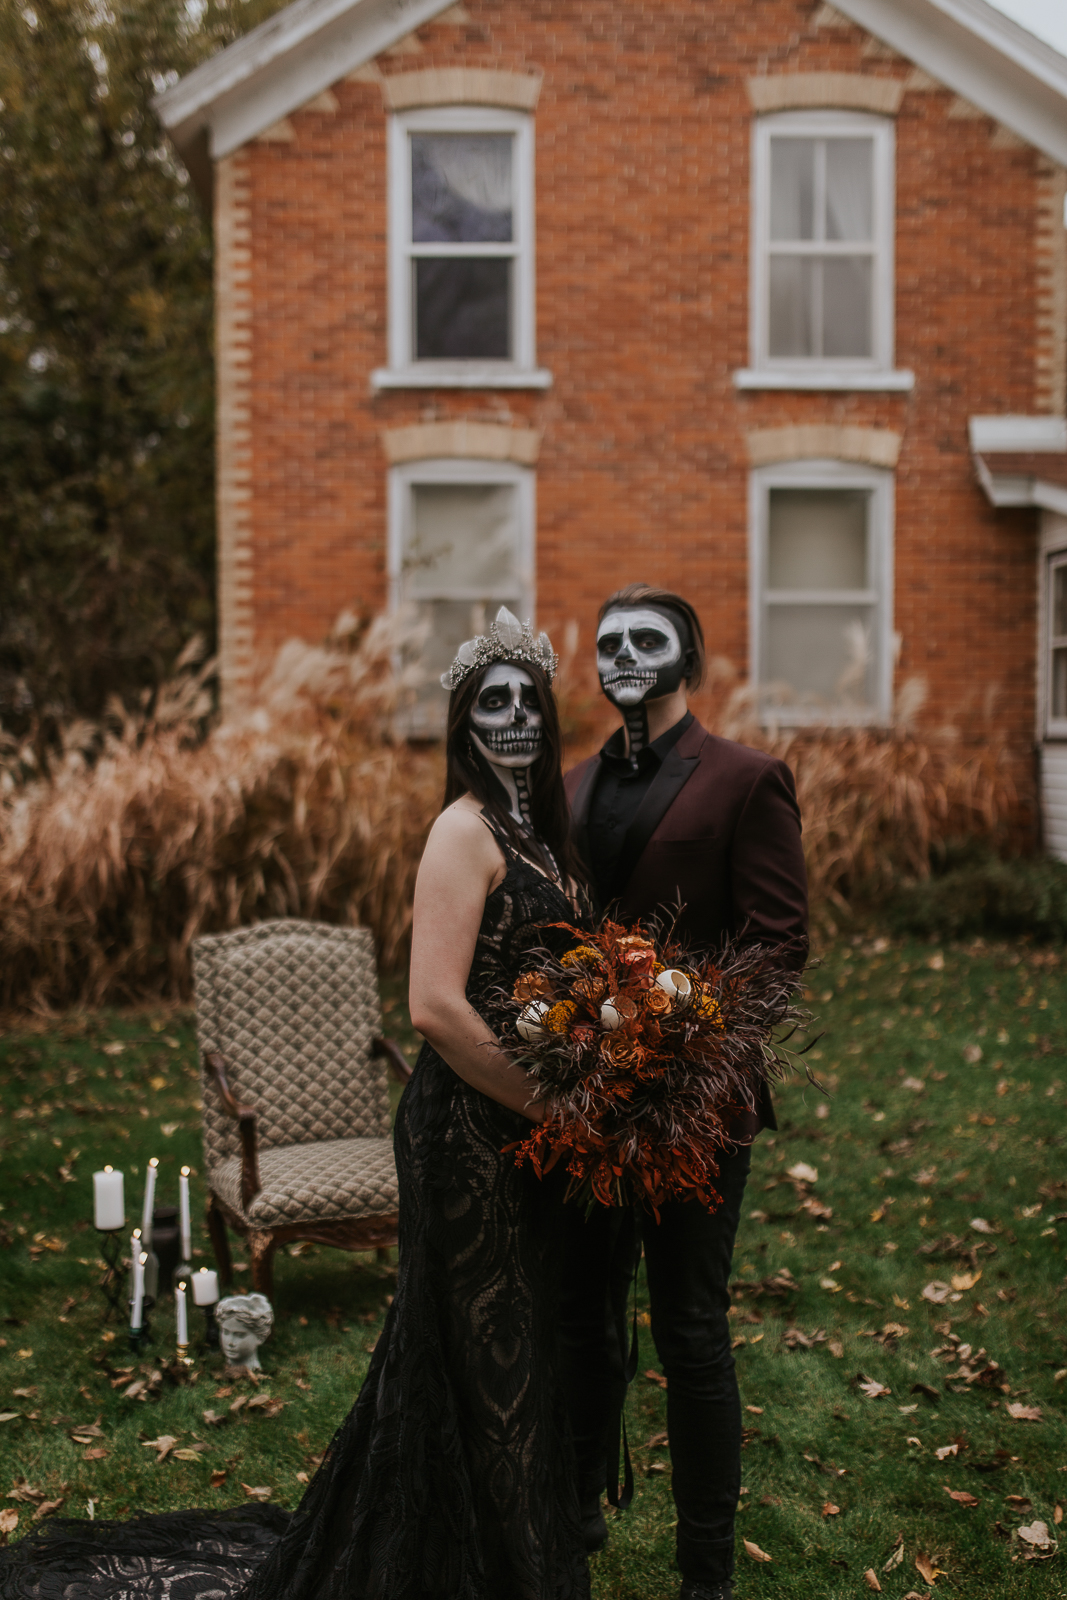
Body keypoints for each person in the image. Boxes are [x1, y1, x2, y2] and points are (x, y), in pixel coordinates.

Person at [0, 608, 590, 1600]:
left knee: (505, 1347)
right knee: (471, 1347)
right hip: (466, 1135)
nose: (514, 719)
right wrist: (547, 1103)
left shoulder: (535, 833)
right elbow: (432, 1008)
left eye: (527, 702)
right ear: (463, 724)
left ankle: (487, 1546)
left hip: (522, 1130)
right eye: (492, 703)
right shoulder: (460, 831)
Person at [559, 583, 809, 1600]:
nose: (620, 652)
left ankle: (704, 1569)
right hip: (581, 1102)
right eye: (606, 640)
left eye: (643, 639)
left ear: (686, 659)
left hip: (699, 1108)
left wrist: (688, 1042)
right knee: (581, 1313)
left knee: (689, 1328)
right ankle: (575, 1505)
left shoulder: (745, 780)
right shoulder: (568, 784)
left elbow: (779, 944)